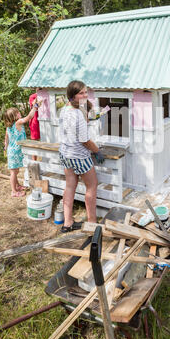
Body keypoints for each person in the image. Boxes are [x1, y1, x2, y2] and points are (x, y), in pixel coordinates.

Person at [59, 80, 105, 233]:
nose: (85, 95)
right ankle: (92, 223)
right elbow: (85, 140)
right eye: (81, 93)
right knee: (92, 185)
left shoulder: (65, 109)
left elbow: (80, 124)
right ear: (72, 95)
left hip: (66, 153)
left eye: (86, 92)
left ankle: (68, 222)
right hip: (79, 155)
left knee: (70, 186)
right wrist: (97, 151)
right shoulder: (77, 114)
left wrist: (85, 107)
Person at [4, 101, 38, 197]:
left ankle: (17, 185)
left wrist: (5, 147)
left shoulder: (8, 127)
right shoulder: (18, 123)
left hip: (12, 150)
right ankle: (14, 191)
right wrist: (35, 107)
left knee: (16, 170)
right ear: (14, 116)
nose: (20, 113)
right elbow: (29, 117)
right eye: (18, 112)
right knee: (13, 172)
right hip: (15, 151)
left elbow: (6, 138)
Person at [29, 88, 42, 160]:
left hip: (44, 121)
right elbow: (34, 104)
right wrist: (38, 96)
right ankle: (34, 161)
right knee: (34, 141)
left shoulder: (47, 95)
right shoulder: (33, 96)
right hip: (35, 121)